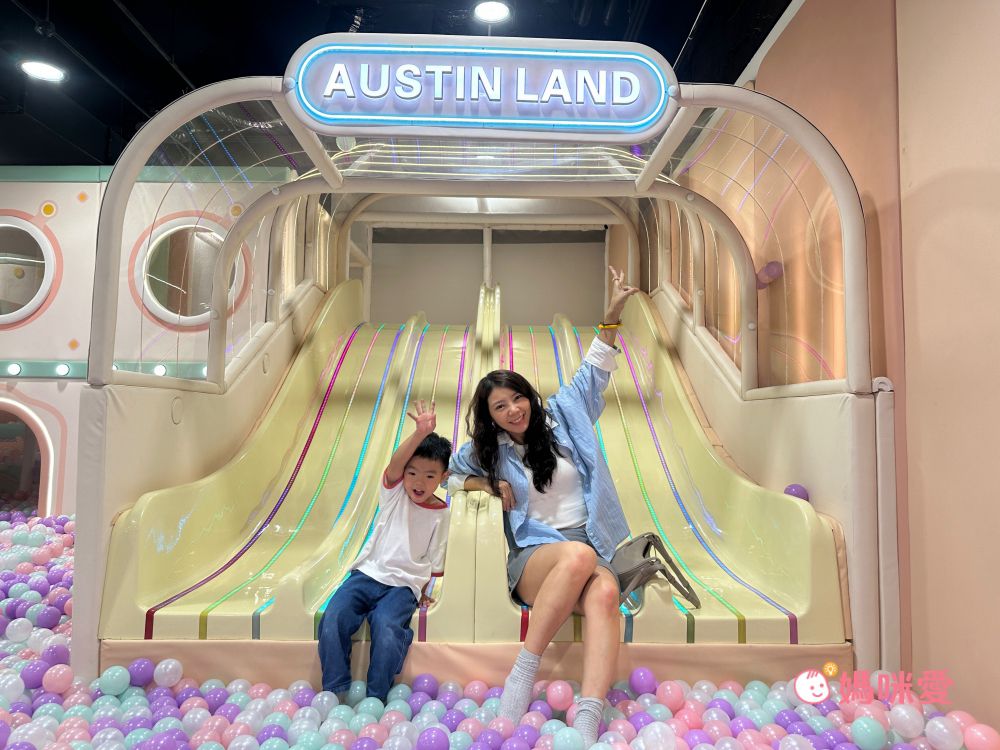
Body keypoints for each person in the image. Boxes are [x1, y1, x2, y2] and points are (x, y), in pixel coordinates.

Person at [449, 267, 639, 747]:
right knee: (577, 557)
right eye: (500, 407)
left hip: (588, 542)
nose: (514, 410)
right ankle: (524, 670)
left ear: (529, 397)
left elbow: (594, 369)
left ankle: (589, 715)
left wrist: (612, 313)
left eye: (518, 398)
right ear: (490, 416)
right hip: (537, 554)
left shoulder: (564, 416)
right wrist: (485, 483)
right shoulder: (487, 450)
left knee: (604, 594)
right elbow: (447, 475)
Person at [318, 400, 451, 702]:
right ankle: (335, 691)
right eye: (412, 473)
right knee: (334, 617)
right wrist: (420, 433)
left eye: (430, 476)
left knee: (387, 626)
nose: (419, 482)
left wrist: (425, 590)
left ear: (443, 478)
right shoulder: (394, 495)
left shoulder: (442, 514)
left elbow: (435, 558)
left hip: (403, 587)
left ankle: (376, 698)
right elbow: (395, 466)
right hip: (366, 575)